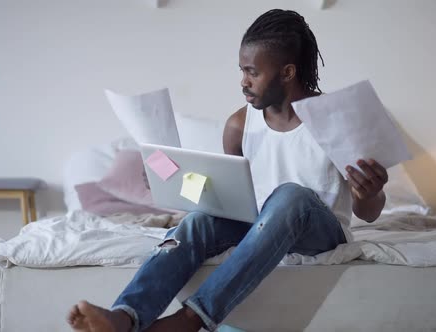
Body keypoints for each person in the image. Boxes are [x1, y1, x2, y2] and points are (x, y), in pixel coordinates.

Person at [67, 8, 388, 332]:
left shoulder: (336, 121)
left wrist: (371, 193)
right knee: (198, 222)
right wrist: (170, 181)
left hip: (322, 232)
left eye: (252, 72)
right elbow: (228, 199)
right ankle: (124, 316)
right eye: (242, 70)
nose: (243, 82)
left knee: (290, 195)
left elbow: (369, 213)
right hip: (259, 225)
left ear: (287, 72)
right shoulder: (238, 125)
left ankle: (190, 319)